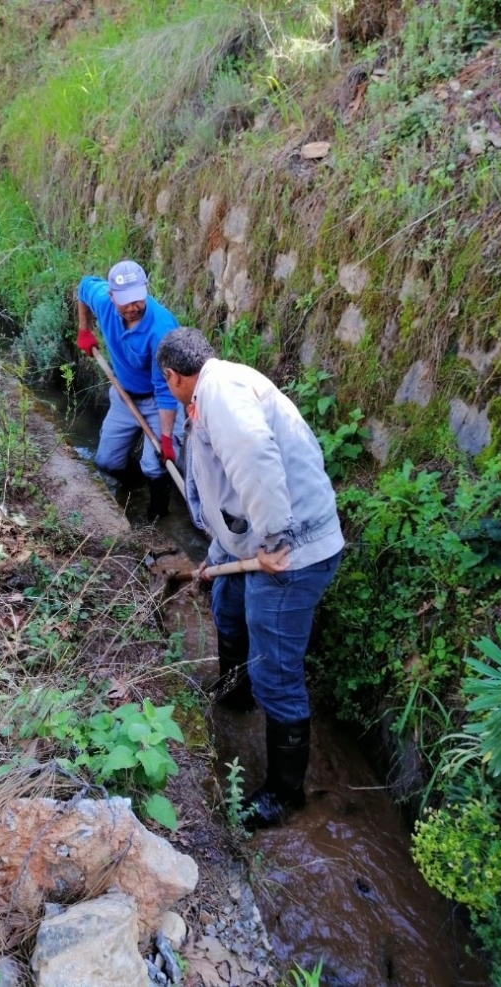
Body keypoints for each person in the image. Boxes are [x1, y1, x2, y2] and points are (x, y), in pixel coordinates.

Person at [156, 327, 344, 827]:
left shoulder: (220, 395)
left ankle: (284, 793)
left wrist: (276, 540)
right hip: (251, 541)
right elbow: (227, 489)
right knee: (227, 609)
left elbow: (257, 464)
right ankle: (235, 695)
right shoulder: (213, 390)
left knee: (275, 672)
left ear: (173, 377)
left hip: (288, 555)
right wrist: (219, 547)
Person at [77, 260, 184, 520]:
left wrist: (167, 439)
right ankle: (135, 487)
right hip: (124, 396)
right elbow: (83, 288)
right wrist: (85, 330)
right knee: (106, 462)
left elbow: (166, 388)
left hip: (160, 402)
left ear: (145, 290)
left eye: (138, 299)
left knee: (155, 464)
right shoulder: (102, 300)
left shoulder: (162, 329)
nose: (133, 307)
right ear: (112, 296)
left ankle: (158, 514)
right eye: (125, 301)